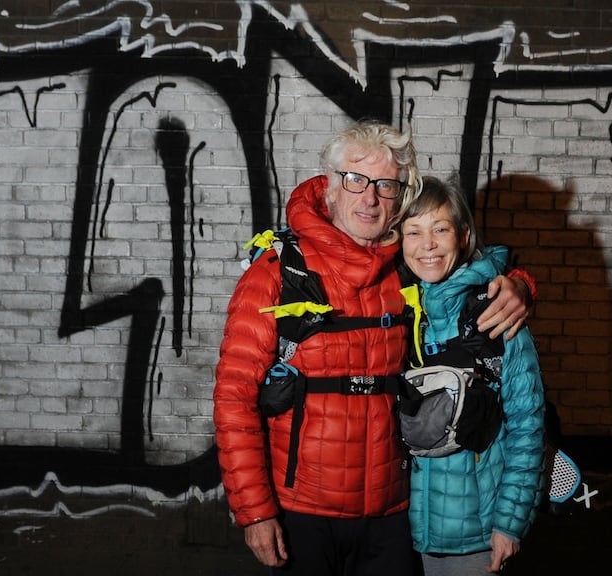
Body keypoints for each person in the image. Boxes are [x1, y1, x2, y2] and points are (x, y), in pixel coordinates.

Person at [213, 120, 532, 575]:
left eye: (386, 185)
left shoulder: (407, 269)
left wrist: (520, 287)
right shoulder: (277, 272)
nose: (370, 198)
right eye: (356, 179)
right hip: (300, 512)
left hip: (391, 517)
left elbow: (473, 273)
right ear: (330, 187)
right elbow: (232, 398)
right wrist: (255, 511)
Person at [398, 176, 546, 575]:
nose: (427, 244)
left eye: (440, 229)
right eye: (413, 231)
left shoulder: (495, 315)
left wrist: (509, 524)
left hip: (477, 536)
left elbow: (528, 426)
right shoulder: (396, 310)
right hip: (396, 531)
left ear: (463, 236)